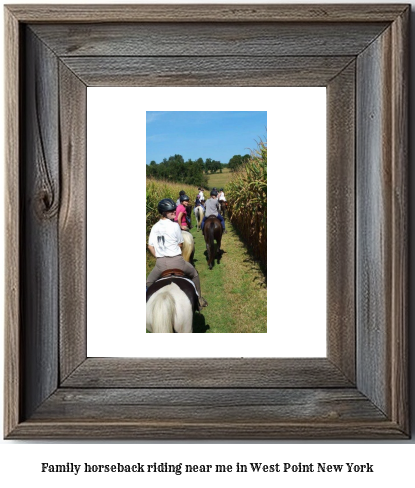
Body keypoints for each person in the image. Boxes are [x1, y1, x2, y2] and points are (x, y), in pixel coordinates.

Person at [147, 198, 208, 308]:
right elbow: (180, 244)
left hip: (160, 264)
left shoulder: (155, 227)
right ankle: (199, 299)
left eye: (174, 210)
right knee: (194, 274)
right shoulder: (175, 226)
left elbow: (150, 246)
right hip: (177, 261)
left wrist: (159, 256)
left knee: (148, 283)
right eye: (172, 211)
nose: (175, 212)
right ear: (164, 213)